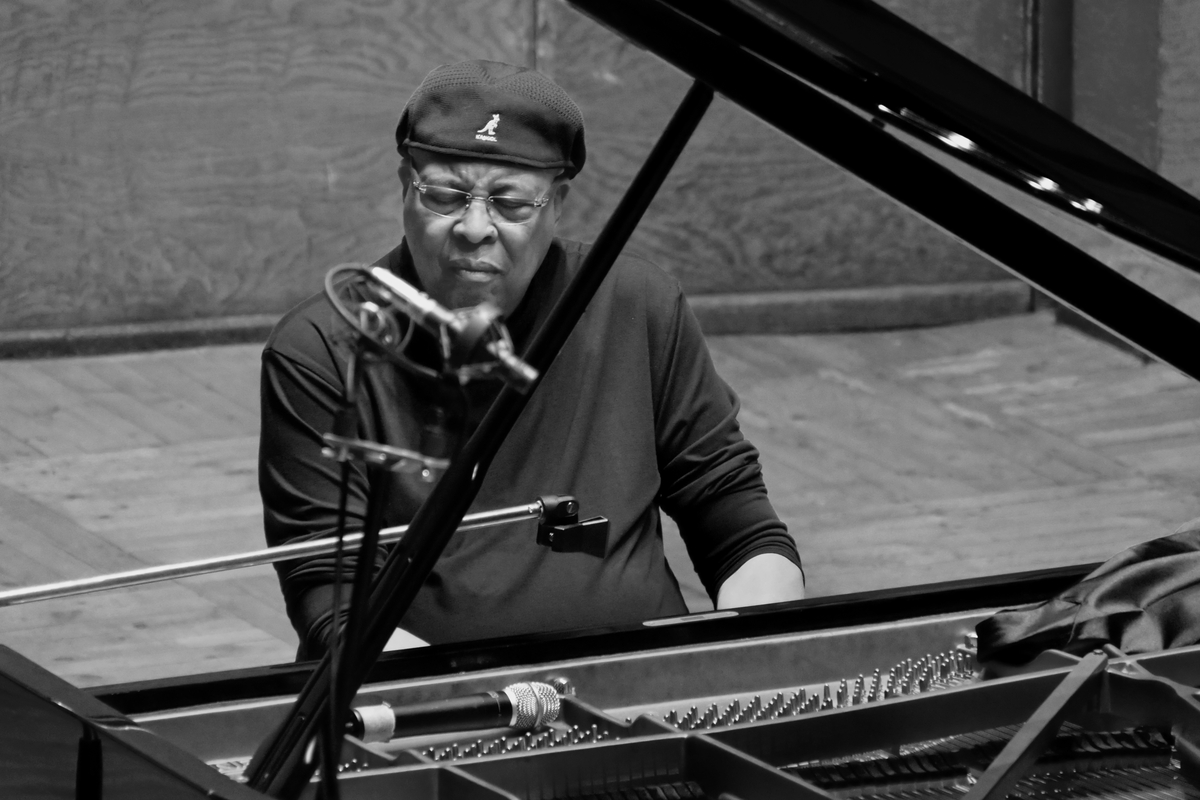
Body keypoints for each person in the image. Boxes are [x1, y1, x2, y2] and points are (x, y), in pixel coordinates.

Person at [259, 60, 804, 659]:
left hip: (643, 682)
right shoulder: (321, 347)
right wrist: (491, 697)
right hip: (433, 701)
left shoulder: (637, 303)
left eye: (510, 203)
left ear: (557, 203)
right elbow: (332, 599)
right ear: (403, 187)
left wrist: (744, 661)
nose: (474, 228)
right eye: (445, 195)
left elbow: (737, 522)